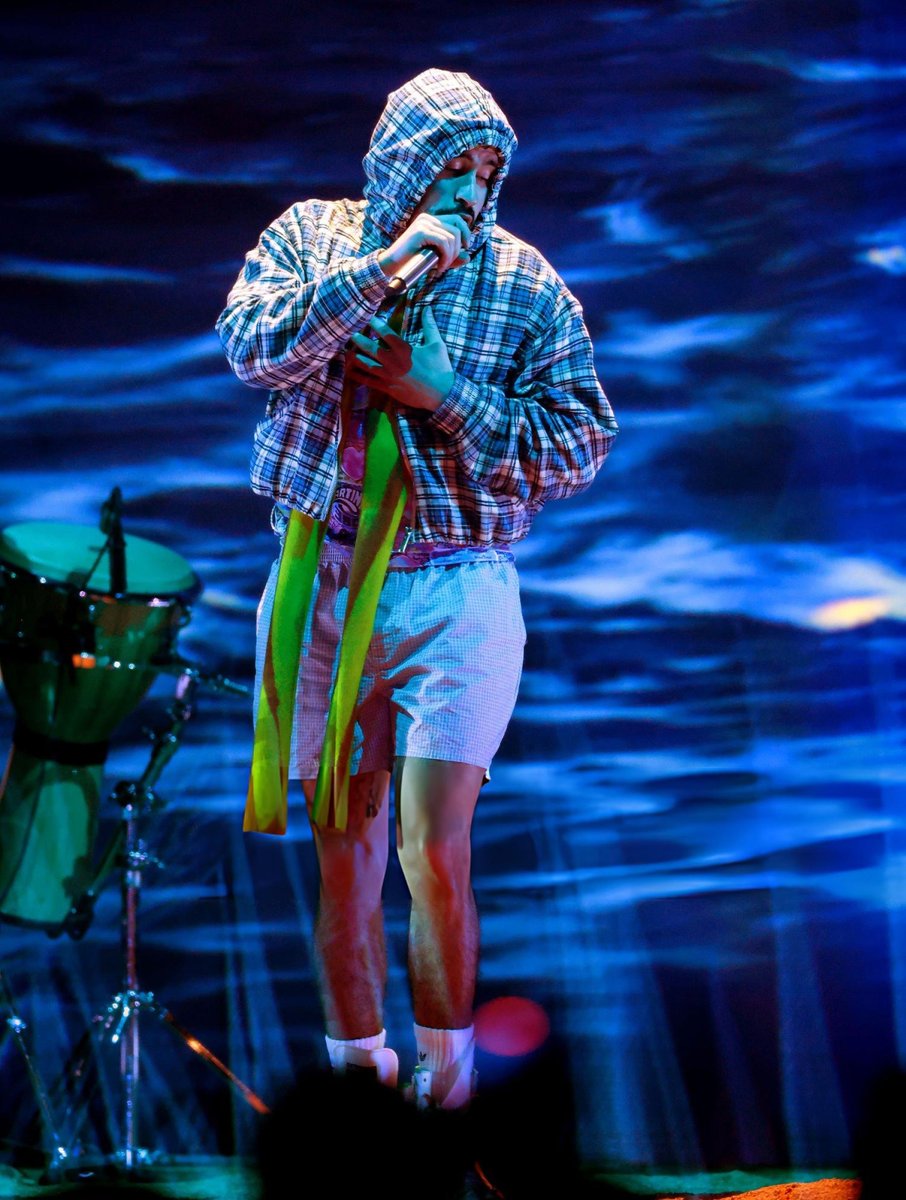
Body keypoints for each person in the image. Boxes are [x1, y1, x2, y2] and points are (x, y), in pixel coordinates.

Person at [216, 68, 617, 1113]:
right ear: (401, 164)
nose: (473, 195)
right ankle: (358, 1093)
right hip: (326, 580)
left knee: (431, 849)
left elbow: (578, 445)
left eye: (489, 173)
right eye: (455, 167)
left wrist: (443, 395)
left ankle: (448, 1104)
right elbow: (254, 347)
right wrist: (387, 270)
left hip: (453, 590)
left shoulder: (524, 282)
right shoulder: (313, 240)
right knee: (342, 852)